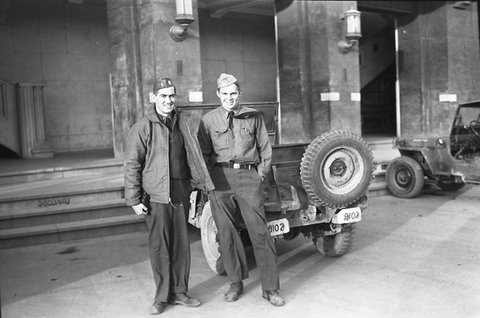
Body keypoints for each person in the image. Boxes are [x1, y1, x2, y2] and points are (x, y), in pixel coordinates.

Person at [124, 78, 214, 315]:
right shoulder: (142, 127)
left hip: (181, 191)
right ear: (153, 98)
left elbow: (192, 155)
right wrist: (133, 200)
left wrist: (199, 183)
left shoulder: (182, 123)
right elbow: (132, 164)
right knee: (160, 246)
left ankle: (181, 292)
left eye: (171, 96)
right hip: (155, 196)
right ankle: (162, 296)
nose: (168, 100)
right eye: (163, 96)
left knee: (181, 245)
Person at [197, 73, 285, 307]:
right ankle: (236, 283)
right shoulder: (208, 121)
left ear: (239, 94)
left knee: (260, 233)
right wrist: (208, 182)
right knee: (226, 233)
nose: (229, 97)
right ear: (218, 94)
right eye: (224, 93)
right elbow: (203, 155)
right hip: (220, 179)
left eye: (233, 93)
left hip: (249, 177)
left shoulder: (253, 117)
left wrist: (259, 176)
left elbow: (265, 149)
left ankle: (270, 287)